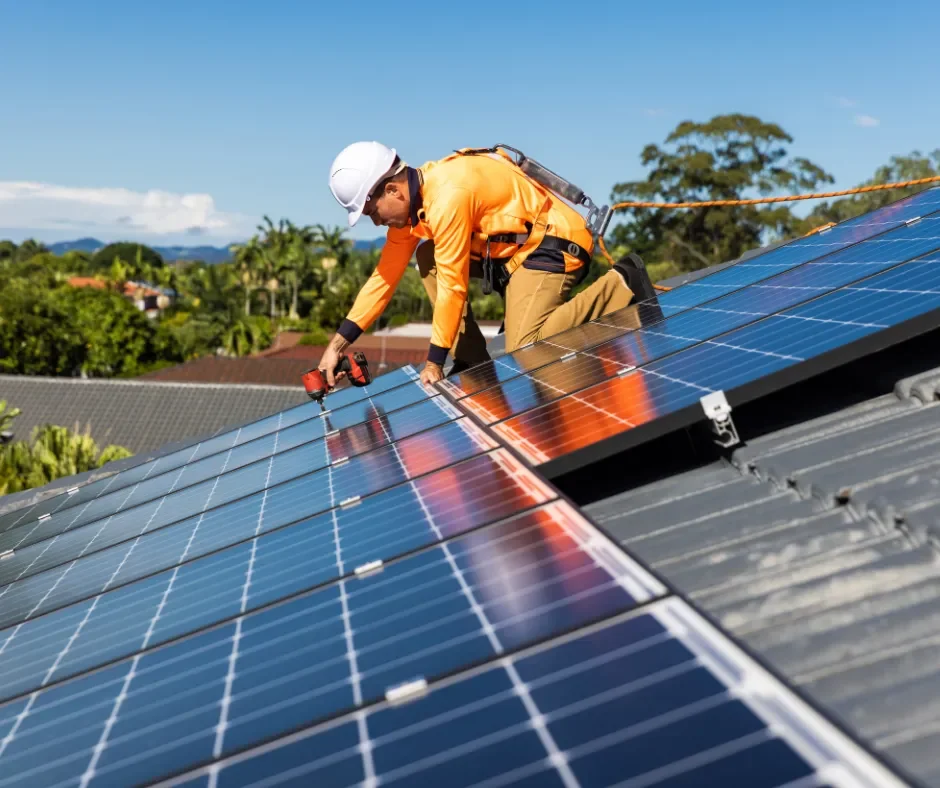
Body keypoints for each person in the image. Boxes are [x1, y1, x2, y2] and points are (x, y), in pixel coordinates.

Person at [315, 141, 656, 388]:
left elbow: (453, 285)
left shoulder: (448, 195)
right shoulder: (414, 212)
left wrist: (435, 362)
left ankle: (622, 282)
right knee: (426, 255)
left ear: (393, 190)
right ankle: (472, 359)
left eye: (372, 212)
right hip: (514, 258)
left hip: (552, 244)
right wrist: (336, 347)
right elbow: (383, 280)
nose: (375, 223)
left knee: (526, 345)